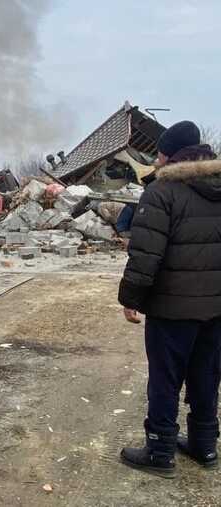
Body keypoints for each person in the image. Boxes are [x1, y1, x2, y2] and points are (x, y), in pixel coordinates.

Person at [118, 121, 221, 478]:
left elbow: (146, 257)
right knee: (207, 374)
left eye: (159, 153)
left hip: (172, 309)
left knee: (165, 378)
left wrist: (130, 298)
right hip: (216, 309)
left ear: (168, 154)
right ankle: (204, 445)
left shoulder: (163, 192)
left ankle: (160, 451)